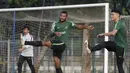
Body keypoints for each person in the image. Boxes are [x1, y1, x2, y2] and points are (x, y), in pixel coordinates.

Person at [22, 11, 94, 73]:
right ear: (60, 16)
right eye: (61, 15)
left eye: (64, 16)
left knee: (45, 43)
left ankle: (26, 42)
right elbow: (51, 34)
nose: (62, 17)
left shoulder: (69, 23)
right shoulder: (55, 24)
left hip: (61, 43)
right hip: (56, 43)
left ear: (66, 17)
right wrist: (55, 33)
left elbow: (78, 26)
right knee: (57, 64)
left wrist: (87, 27)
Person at [85, 9, 127, 73]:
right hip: (118, 45)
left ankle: (91, 49)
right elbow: (126, 32)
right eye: (111, 14)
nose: (111, 16)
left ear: (118, 15)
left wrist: (103, 34)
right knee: (105, 44)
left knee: (119, 65)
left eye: (113, 14)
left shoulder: (119, 23)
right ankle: (91, 49)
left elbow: (113, 33)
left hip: (120, 47)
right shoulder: (120, 23)